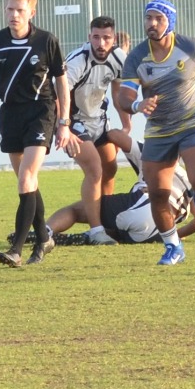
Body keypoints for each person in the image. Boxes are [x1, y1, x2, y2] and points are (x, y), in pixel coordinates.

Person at [0, 0, 78, 268]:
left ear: (31, 12)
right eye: (10, 9)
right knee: (28, 184)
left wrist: (64, 122)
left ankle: (16, 249)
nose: (14, 15)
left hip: (41, 112)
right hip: (10, 114)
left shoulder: (46, 41)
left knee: (26, 177)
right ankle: (45, 238)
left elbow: (62, 82)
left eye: (20, 10)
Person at [117, 0, 195, 266]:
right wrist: (137, 105)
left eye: (158, 18)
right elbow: (124, 97)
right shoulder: (137, 56)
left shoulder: (190, 46)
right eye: (148, 18)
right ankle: (173, 247)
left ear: (170, 22)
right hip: (159, 131)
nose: (151, 23)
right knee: (158, 194)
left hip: (192, 123)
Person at [40, 138, 195, 246]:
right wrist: (173, 234)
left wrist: (109, 143)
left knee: (77, 210)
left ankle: (43, 233)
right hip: (157, 231)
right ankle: (87, 237)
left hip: (144, 206)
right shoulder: (190, 179)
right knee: (118, 229)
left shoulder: (150, 154)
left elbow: (115, 135)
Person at [63, 15, 132, 238]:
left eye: (106, 38)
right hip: (74, 121)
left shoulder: (119, 57)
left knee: (110, 169)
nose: (101, 43)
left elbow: (118, 92)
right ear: (89, 37)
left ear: (114, 39)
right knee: (95, 169)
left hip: (99, 120)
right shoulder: (77, 61)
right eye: (96, 37)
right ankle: (96, 231)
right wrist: (63, 127)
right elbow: (58, 95)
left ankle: (105, 222)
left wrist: (126, 124)